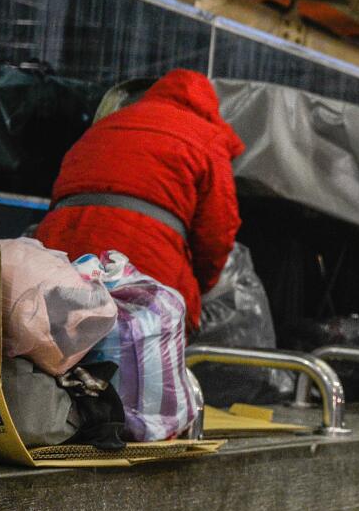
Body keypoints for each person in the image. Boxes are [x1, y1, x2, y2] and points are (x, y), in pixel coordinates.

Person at [35, 69, 242, 332]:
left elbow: (63, 191)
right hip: (143, 262)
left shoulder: (107, 124)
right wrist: (201, 285)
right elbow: (217, 231)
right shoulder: (208, 139)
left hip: (59, 249)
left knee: (50, 343)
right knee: (141, 358)